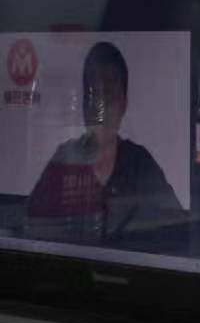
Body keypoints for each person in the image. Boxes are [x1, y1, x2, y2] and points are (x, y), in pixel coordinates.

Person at [27, 41, 183, 242]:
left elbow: (175, 230)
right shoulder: (65, 159)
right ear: (84, 102)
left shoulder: (140, 164)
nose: (100, 108)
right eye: (93, 95)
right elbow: (33, 227)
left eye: (109, 96)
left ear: (124, 103)